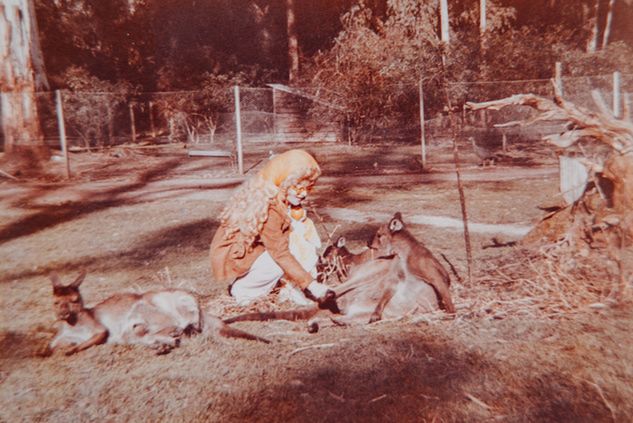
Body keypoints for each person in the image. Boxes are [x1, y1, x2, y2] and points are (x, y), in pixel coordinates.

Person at [210, 149, 332, 306]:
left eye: (308, 189)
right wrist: (312, 286)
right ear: (283, 182)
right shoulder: (269, 208)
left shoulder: (280, 199)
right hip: (237, 255)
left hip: (253, 251)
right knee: (278, 261)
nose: (304, 195)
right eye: (299, 188)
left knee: (298, 243)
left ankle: (274, 287)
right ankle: (243, 292)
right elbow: (280, 253)